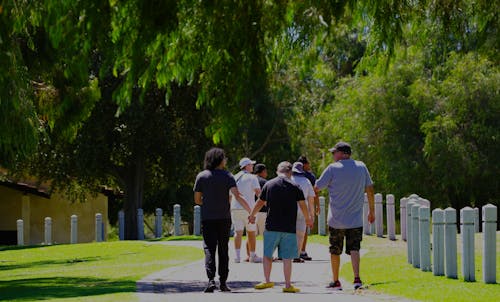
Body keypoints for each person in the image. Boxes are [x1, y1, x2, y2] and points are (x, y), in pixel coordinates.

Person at [315, 142, 375, 291]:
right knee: (355, 248)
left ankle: (335, 280)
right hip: (355, 219)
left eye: (334, 153)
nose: (333, 156)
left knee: (335, 250)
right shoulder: (361, 167)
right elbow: (370, 188)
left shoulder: (332, 168)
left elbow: (317, 187)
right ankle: (357, 278)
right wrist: (371, 210)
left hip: (336, 219)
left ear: (341, 153)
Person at [249, 161, 313, 293]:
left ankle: (267, 281)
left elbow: (259, 202)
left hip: (271, 226)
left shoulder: (269, 184)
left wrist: (252, 215)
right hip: (289, 228)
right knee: (287, 257)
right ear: (290, 173)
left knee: (267, 255)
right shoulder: (295, 186)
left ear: (278, 171)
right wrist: (308, 219)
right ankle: (288, 285)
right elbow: (303, 205)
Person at [194, 148, 251, 293]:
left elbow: (197, 200)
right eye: (224, 158)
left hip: (208, 218)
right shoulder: (227, 176)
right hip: (224, 218)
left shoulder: (202, 176)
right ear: (219, 160)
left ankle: (211, 280)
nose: (226, 160)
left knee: (209, 249)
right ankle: (223, 282)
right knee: (223, 249)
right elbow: (237, 196)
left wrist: (208, 203)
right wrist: (251, 211)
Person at [231, 157, 262, 263]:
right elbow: (259, 193)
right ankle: (253, 255)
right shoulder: (252, 177)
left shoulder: (234, 177)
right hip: (249, 208)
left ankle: (237, 256)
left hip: (235, 207)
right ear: (247, 166)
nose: (252, 166)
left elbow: (230, 195)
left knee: (237, 232)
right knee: (251, 232)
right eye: (251, 164)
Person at [291, 162, 316, 263]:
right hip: (303, 209)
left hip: (289, 209)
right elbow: (311, 199)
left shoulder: (289, 179)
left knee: (288, 232)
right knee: (300, 233)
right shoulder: (306, 181)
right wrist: (312, 215)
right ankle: (297, 255)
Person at [297, 155, 320, 261]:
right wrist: (317, 205)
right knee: (304, 229)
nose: (309, 166)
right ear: (305, 165)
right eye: (308, 163)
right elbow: (315, 192)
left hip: (291, 207)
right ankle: (302, 250)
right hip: (305, 206)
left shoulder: (290, 175)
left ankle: (292, 251)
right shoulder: (309, 177)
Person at [253, 163, 268, 236]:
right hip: (263, 212)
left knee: (251, 235)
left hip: (251, 211)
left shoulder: (250, 180)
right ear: (263, 171)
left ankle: (250, 248)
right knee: (266, 236)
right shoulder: (265, 182)